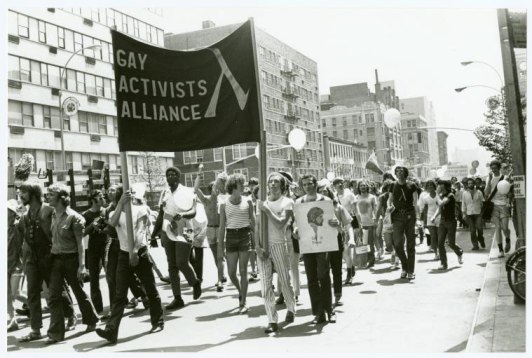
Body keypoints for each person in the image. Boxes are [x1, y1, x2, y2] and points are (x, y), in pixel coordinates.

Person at [95, 186, 164, 343]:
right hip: (123, 254)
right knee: (120, 294)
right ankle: (111, 330)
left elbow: (140, 231)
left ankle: (158, 321)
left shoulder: (141, 210)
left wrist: (134, 251)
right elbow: (111, 224)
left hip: (140, 252)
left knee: (150, 288)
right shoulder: (115, 213)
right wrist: (119, 205)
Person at [18, 182, 76, 343]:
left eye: (23, 192)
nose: (20, 195)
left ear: (33, 193)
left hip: (49, 257)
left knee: (57, 292)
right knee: (32, 294)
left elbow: (59, 231)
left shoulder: (49, 210)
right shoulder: (26, 213)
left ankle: (71, 316)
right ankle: (35, 330)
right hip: (32, 259)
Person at [45, 183, 99, 344]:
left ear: (62, 198)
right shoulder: (53, 214)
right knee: (54, 296)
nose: (48, 196)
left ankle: (92, 320)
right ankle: (55, 333)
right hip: (56, 260)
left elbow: (81, 244)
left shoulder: (74, 218)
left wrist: (82, 266)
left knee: (78, 291)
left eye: (51, 194)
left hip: (71, 260)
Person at [256, 172, 296, 333]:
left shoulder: (287, 202)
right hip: (264, 246)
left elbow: (280, 224)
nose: (272, 184)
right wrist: (257, 247)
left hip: (279, 244)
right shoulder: (261, 203)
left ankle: (291, 307)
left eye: (276, 182)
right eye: (270, 181)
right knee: (265, 285)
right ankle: (272, 320)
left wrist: (266, 210)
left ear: (282, 185)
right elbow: (257, 226)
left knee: (284, 281)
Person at [157, 167, 202, 310]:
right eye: (168, 175)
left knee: (182, 262)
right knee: (172, 265)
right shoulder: (165, 193)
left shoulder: (187, 191)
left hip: (185, 228)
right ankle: (177, 298)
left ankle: (195, 282)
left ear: (178, 177)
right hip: (168, 229)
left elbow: (194, 211)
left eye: (173, 175)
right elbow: (161, 213)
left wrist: (183, 215)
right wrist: (154, 233)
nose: (170, 177)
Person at [295, 174, 336, 324]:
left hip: (324, 243)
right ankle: (318, 312)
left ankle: (329, 309)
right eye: (304, 184)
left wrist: (335, 222)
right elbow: (297, 221)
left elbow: (333, 220)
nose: (307, 187)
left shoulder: (325, 200)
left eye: (310, 184)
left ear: (315, 184)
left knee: (323, 275)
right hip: (307, 244)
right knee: (311, 278)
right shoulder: (299, 202)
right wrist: (295, 229)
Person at [219, 173, 256, 313]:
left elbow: (253, 222)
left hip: (245, 235)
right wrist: (220, 247)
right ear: (234, 186)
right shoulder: (223, 204)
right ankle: (240, 291)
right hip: (230, 236)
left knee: (243, 271)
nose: (244, 186)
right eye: (241, 184)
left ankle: (243, 302)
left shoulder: (248, 201)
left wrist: (258, 240)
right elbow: (222, 226)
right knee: (231, 273)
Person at [318, 183, 354, 307]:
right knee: (322, 272)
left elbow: (348, 226)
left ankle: (338, 296)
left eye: (325, 191)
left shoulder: (338, 207)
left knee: (337, 270)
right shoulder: (313, 207)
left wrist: (351, 239)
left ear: (330, 193)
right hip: (320, 242)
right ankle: (325, 297)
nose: (323, 194)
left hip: (336, 241)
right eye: (320, 191)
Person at [194, 173, 228, 292]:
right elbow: (196, 189)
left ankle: (219, 280)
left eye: (218, 188)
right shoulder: (206, 201)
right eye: (214, 187)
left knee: (220, 256)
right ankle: (222, 275)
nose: (216, 190)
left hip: (220, 229)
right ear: (211, 189)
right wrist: (199, 174)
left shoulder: (223, 201)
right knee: (216, 256)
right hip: (209, 229)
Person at [387, 166, 420, 280]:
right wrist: (389, 206)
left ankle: (410, 270)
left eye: (401, 171)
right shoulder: (393, 185)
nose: (399, 172)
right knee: (397, 243)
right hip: (397, 216)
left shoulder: (412, 185)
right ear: (395, 174)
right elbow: (390, 200)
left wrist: (418, 219)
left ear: (405, 173)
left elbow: (416, 202)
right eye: (397, 171)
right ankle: (404, 266)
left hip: (410, 215)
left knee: (410, 245)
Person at [82, 190, 108, 315]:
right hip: (93, 248)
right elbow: (82, 233)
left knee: (111, 275)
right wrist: (92, 225)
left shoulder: (106, 211)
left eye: (103, 196)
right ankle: (97, 308)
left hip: (107, 245)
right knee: (94, 278)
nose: (102, 198)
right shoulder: (86, 215)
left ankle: (117, 303)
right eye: (99, 197)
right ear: (93, 199)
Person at [431, 180, 464, 270]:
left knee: (451, 243)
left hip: (451, 222)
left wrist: (437, 194)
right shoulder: (441, 196)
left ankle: (459, 252)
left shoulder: (450, 195)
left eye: (440, 185)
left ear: (444, 186)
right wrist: (434, 216)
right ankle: (443, 264)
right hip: (442, 221)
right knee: (440, 243)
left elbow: (442, 203)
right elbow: (440, 208)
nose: (438, 187)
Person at [484, 160, 512, 257]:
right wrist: (489, 181)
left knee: (505, 228)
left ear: (499, 168)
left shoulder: (505, 178)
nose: (493, 170)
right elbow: (486, 193)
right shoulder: (489, 178)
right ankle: (500, 250)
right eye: (492, 168)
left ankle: (508, 240)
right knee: (498, 228)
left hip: (503, 205)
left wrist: (508, 201)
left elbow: (509, 193)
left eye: (495, 168)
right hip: (493, 205)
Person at [332, 178, 356, 284]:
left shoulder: (349, 194)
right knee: (343, 254)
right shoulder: (332, 197)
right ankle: (351, 266)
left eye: (341, 183)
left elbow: (356, 210)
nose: (340, 185)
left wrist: (358, 224)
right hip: (336, 227)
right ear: (334, 186)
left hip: (348, 222)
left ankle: (349, 274)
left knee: (347, 251)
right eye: (337, 183)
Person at [8, 199, 24, 332]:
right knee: (7, 295)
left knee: (15, 293)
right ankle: (13, 320)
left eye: (9, 211)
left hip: (17, 264)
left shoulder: (18, 226)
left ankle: (33, 305)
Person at [355, 180, 379, 268]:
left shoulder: (372, 197)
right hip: (360, 223)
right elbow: (355, 211)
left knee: (370, 243)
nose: (363, 187)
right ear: (358, 187)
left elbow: (376, 210)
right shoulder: (356, 197)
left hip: (370, 223)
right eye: (361, 185)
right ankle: (364, 261)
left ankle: (371, 260)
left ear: (367, 187)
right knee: (362, 243)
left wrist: (376, 220)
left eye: (364, 185)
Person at [376, 179, 399, 269]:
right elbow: (378, 209)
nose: (390, 189)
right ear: (385, 188)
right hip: (386, 221)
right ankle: (392, 252)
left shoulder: (398, 196)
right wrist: (377, 219)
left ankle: (397, 260)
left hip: (397, 221)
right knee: (388, 243)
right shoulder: (382, 197)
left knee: (397, 242)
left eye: (392, 187)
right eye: (389, 187)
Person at [418, 180, 441, 260]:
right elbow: (425, 210)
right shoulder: (425, 197)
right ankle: (436, 253)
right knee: (433, 237)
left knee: (439, 237)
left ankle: (440, 251)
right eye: (428, 185)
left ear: (434, 186)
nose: (430, 186)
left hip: (439, 217)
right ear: (426, 187)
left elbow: (441, 207)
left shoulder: (439, 195)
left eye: (431, 185)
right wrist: (424, 221)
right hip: (430, 218)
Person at [462, 177, 485, 250]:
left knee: (480, 228)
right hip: (469, 214)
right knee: (472, 230)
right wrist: (464, 213)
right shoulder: (465, 193)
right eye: (469, 183)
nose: (470, 184)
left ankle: (481, 239)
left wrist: (482, 212)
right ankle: (475, 245)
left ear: (474, 184)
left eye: (471, 183)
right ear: (467, 185)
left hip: (478, 213)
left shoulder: (479, 192)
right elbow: (463, 204)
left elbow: (482, 202)